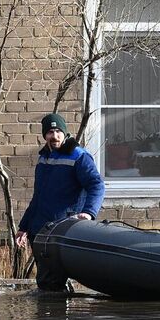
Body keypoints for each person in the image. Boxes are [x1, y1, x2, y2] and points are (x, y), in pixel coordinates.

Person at [18, 113, 105, 292]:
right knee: (49, 281)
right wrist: (24, 227)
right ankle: (55, 316)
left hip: (62, 229)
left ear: (65, 134)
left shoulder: (79, 156)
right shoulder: (44, 158)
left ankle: (53, 316)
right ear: (45, 135)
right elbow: (39, 197)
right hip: (40, 229)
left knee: (49, 283)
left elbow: (96, 185)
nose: (55, 135)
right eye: (50, 131)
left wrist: (88, 212)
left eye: (58, 131)